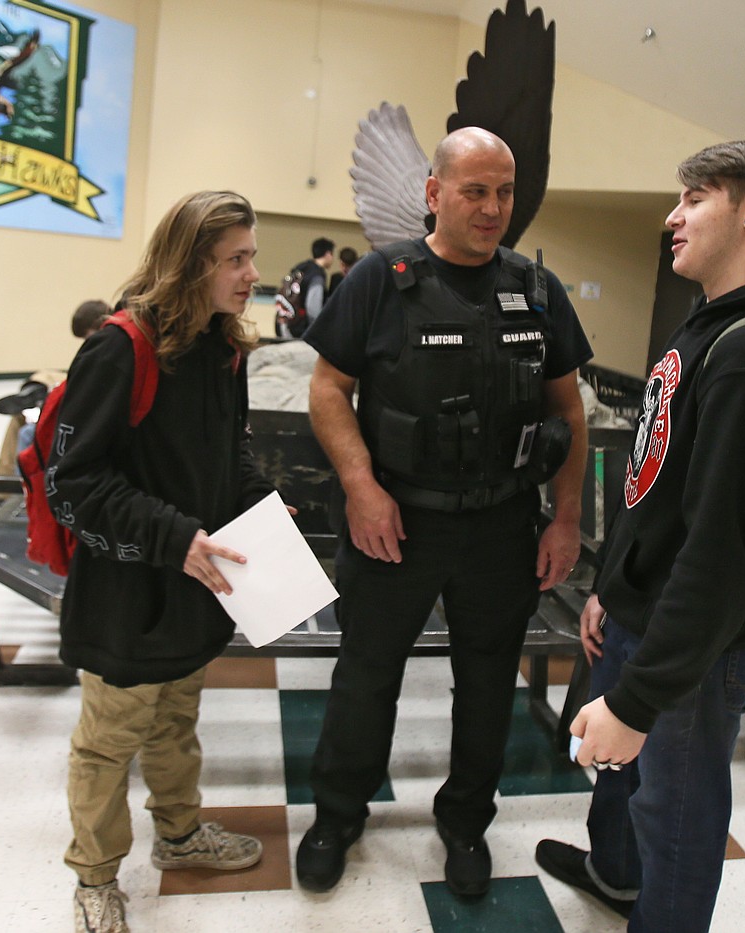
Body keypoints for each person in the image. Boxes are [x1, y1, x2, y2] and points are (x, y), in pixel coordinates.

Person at [536, 141, 745, 932]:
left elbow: (723, 549)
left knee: (676, 810)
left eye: (693, 197)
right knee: (623, 784)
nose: (672, 215)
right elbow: (659, 483)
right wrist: (612, 585)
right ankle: (614, 874)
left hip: (709, 633)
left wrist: (637, 700)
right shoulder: (711, 326)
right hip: (648, 601)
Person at [296, 126, 592, 899]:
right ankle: (336, 815)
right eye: (475, 190)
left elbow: (571, 412)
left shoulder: (537, 288)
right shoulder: (378, 278)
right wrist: (361, 485)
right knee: (366, 675)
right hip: (395, 519)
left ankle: (465, 821)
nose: (493, 207)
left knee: (488, 682)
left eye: (505, 191)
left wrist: (565, 519)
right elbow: (329, 387)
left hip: (501, 526)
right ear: (434, 193)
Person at [47, 191, 278, 933]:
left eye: (250, 256)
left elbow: (227, 451)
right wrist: (174, 535)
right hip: (128, 589)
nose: (252, 273)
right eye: (235, 259)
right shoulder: (121, 347)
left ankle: (179, 836)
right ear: (190, 264)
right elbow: (73, 480)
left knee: (177, 719)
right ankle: (95, 875)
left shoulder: (223, 348)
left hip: (194, 584)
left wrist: (259, 505)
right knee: (109, 739)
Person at [0, 299, 112, 475]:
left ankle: (38, 393)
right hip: (83, 394)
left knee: (27, 430)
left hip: (88, 408)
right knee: (25, 408)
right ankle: (36, 392)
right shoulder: (105, 347)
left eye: (88, 337)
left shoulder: (110, 350)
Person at [277, 236, 335, 338]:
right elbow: (313, 308)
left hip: (286, 323)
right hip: (301, 328)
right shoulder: (317, 276)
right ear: (328, 254)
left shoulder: (301, 268)